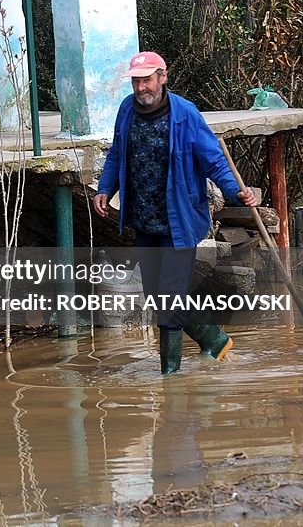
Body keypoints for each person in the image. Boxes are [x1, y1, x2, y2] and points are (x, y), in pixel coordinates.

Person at [92, 51, 257, 374]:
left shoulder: (185, 115)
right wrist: (104, 188)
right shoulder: (127, 110)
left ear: (163, 77)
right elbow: (116, 153)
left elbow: (214, 161)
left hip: (178, 221)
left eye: (147, 80)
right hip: (144, 218)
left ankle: (170, 375)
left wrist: (236, 191)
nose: (141, 88)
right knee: (158, 294)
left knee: (168, 297)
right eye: (136, 81)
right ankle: (214, 339)